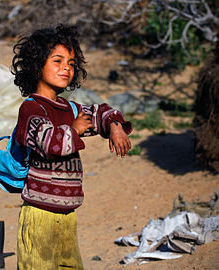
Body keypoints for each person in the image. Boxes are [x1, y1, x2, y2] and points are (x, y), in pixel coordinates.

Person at [11, 24, 133, 270]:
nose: (66, 67)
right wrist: (74, 130)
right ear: (36, 65)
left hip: (68, 213)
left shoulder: (70, 109)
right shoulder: (31, 109)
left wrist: (115, 125)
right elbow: (48, 143)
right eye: (57, 60)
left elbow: (99, 113)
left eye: (71, 63)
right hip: (39, 213)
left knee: (70, 266)